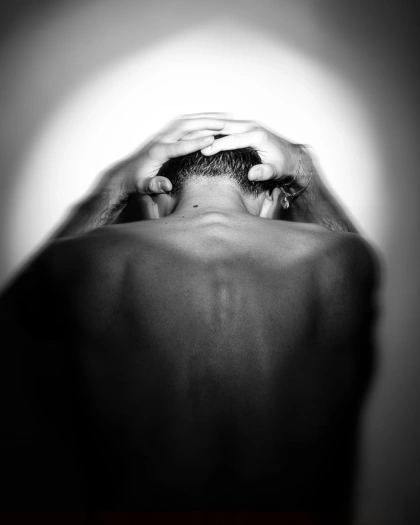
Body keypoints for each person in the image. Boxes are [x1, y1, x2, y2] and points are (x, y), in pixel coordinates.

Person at [0, 114, 378, 523]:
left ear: (157, 199)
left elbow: (16, 320)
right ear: (271, 198)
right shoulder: (341, 258)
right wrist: (304, 172)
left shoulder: (84, 260)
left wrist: (115, 185)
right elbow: (364, 285)